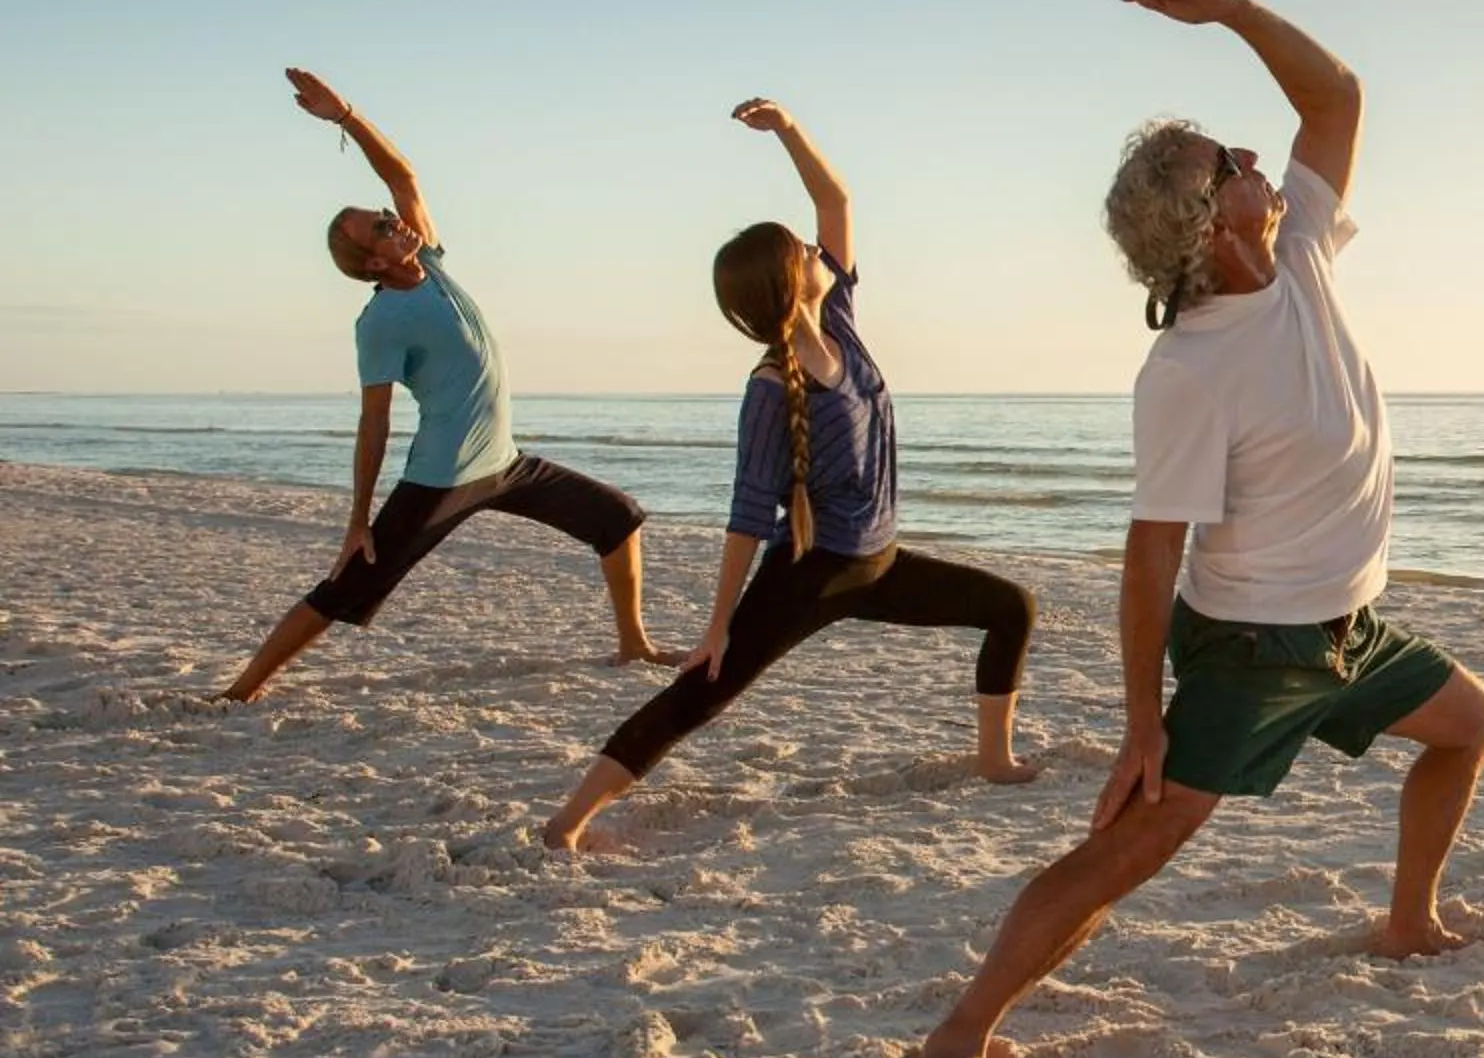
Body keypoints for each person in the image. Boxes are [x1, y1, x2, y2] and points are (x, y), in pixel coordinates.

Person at [910, 0, 1484, 1058]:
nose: (1252, 157)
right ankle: (958, 1035)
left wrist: (1233, 10)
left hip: (1349, 625)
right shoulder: (1188, 368)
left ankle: (1410, 918)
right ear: (1210, 221)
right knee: (1137, 843)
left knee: (1468, 724)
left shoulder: (1306, 253)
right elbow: (1149, 554)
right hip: (1253, 646)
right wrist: (1141, 721)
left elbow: (1337, 98)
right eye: (1228, 159)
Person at [541, 99, 1040, 849]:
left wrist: (789, 133)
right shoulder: (771, 389)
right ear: (785, 281)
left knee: (1012, 607)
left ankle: (994, 760)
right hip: (811, 573)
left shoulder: (837, 319)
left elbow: (836, 202)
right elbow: (748, 514)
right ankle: (567, 823)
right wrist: (715, 627)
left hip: (880, 562)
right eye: (800, 251)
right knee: (700, 695)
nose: (815, 249)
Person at [222, 69, 665, 703]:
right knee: (348, 587)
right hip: (442, 479)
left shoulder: (427, 261)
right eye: (377, 228)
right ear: (372, 263)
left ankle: (633, 642)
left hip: (506, 464)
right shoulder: (381, 322)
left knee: (618, 518)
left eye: (381, 216)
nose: (389, 220)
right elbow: (374, 422)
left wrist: (345, 116)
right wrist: (357, 519)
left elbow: (402, 178)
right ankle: (243, 689)